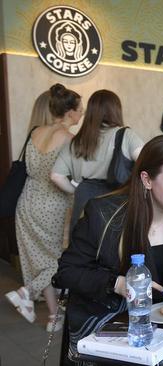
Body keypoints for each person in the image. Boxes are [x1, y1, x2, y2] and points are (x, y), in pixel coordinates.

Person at [52, 135, 163, 362]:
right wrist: (117, 284)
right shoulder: (104, 214)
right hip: (115, 328)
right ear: (146, 179)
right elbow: (67, 272)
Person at [5, 85, 80, 332]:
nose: (81, 115)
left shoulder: (35, 132)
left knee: (41, 260)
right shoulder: (70, 139)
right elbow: (73, 176)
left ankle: (53, 317)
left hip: (27, 202)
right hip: (55, 204)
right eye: (80, 110)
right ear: (70, 112)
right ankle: (26, 292)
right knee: (57, 259)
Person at [51, 90, 143, 231]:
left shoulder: (76, 141)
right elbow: (148, 163)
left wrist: (76, 190)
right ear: (116, 110)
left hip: (84, 197)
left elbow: (56, 176)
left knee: (82, 244)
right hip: (115, 197)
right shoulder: (126, 135)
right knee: (111, 246)